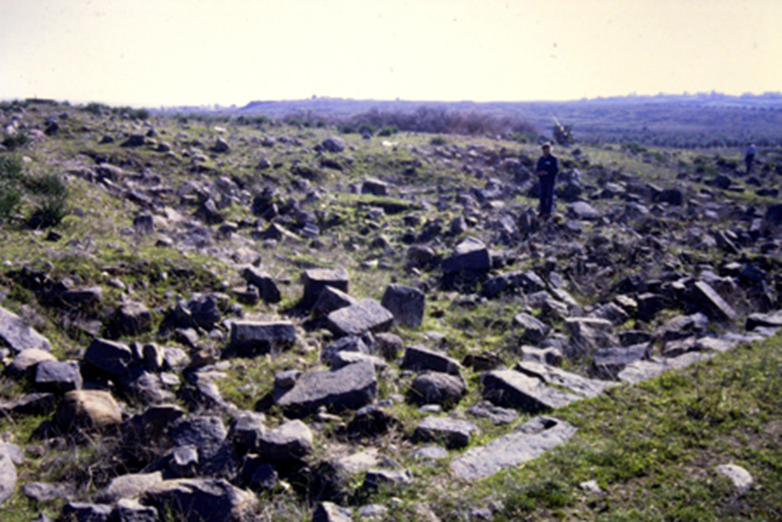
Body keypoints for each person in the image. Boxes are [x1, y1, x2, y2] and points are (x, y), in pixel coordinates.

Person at [535, 142, 559, 217]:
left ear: (550, 149)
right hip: (542, 180)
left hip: (550, 181)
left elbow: (556, 169)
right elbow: (537, 168)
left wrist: (547, 172)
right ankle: (542, 210)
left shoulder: (553, 159)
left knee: (549, 195)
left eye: (547, 149)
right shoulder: (541, 159)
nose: (545, 151)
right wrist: (538, 173)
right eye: (544, 150)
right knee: (542, 195)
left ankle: (549, 211)